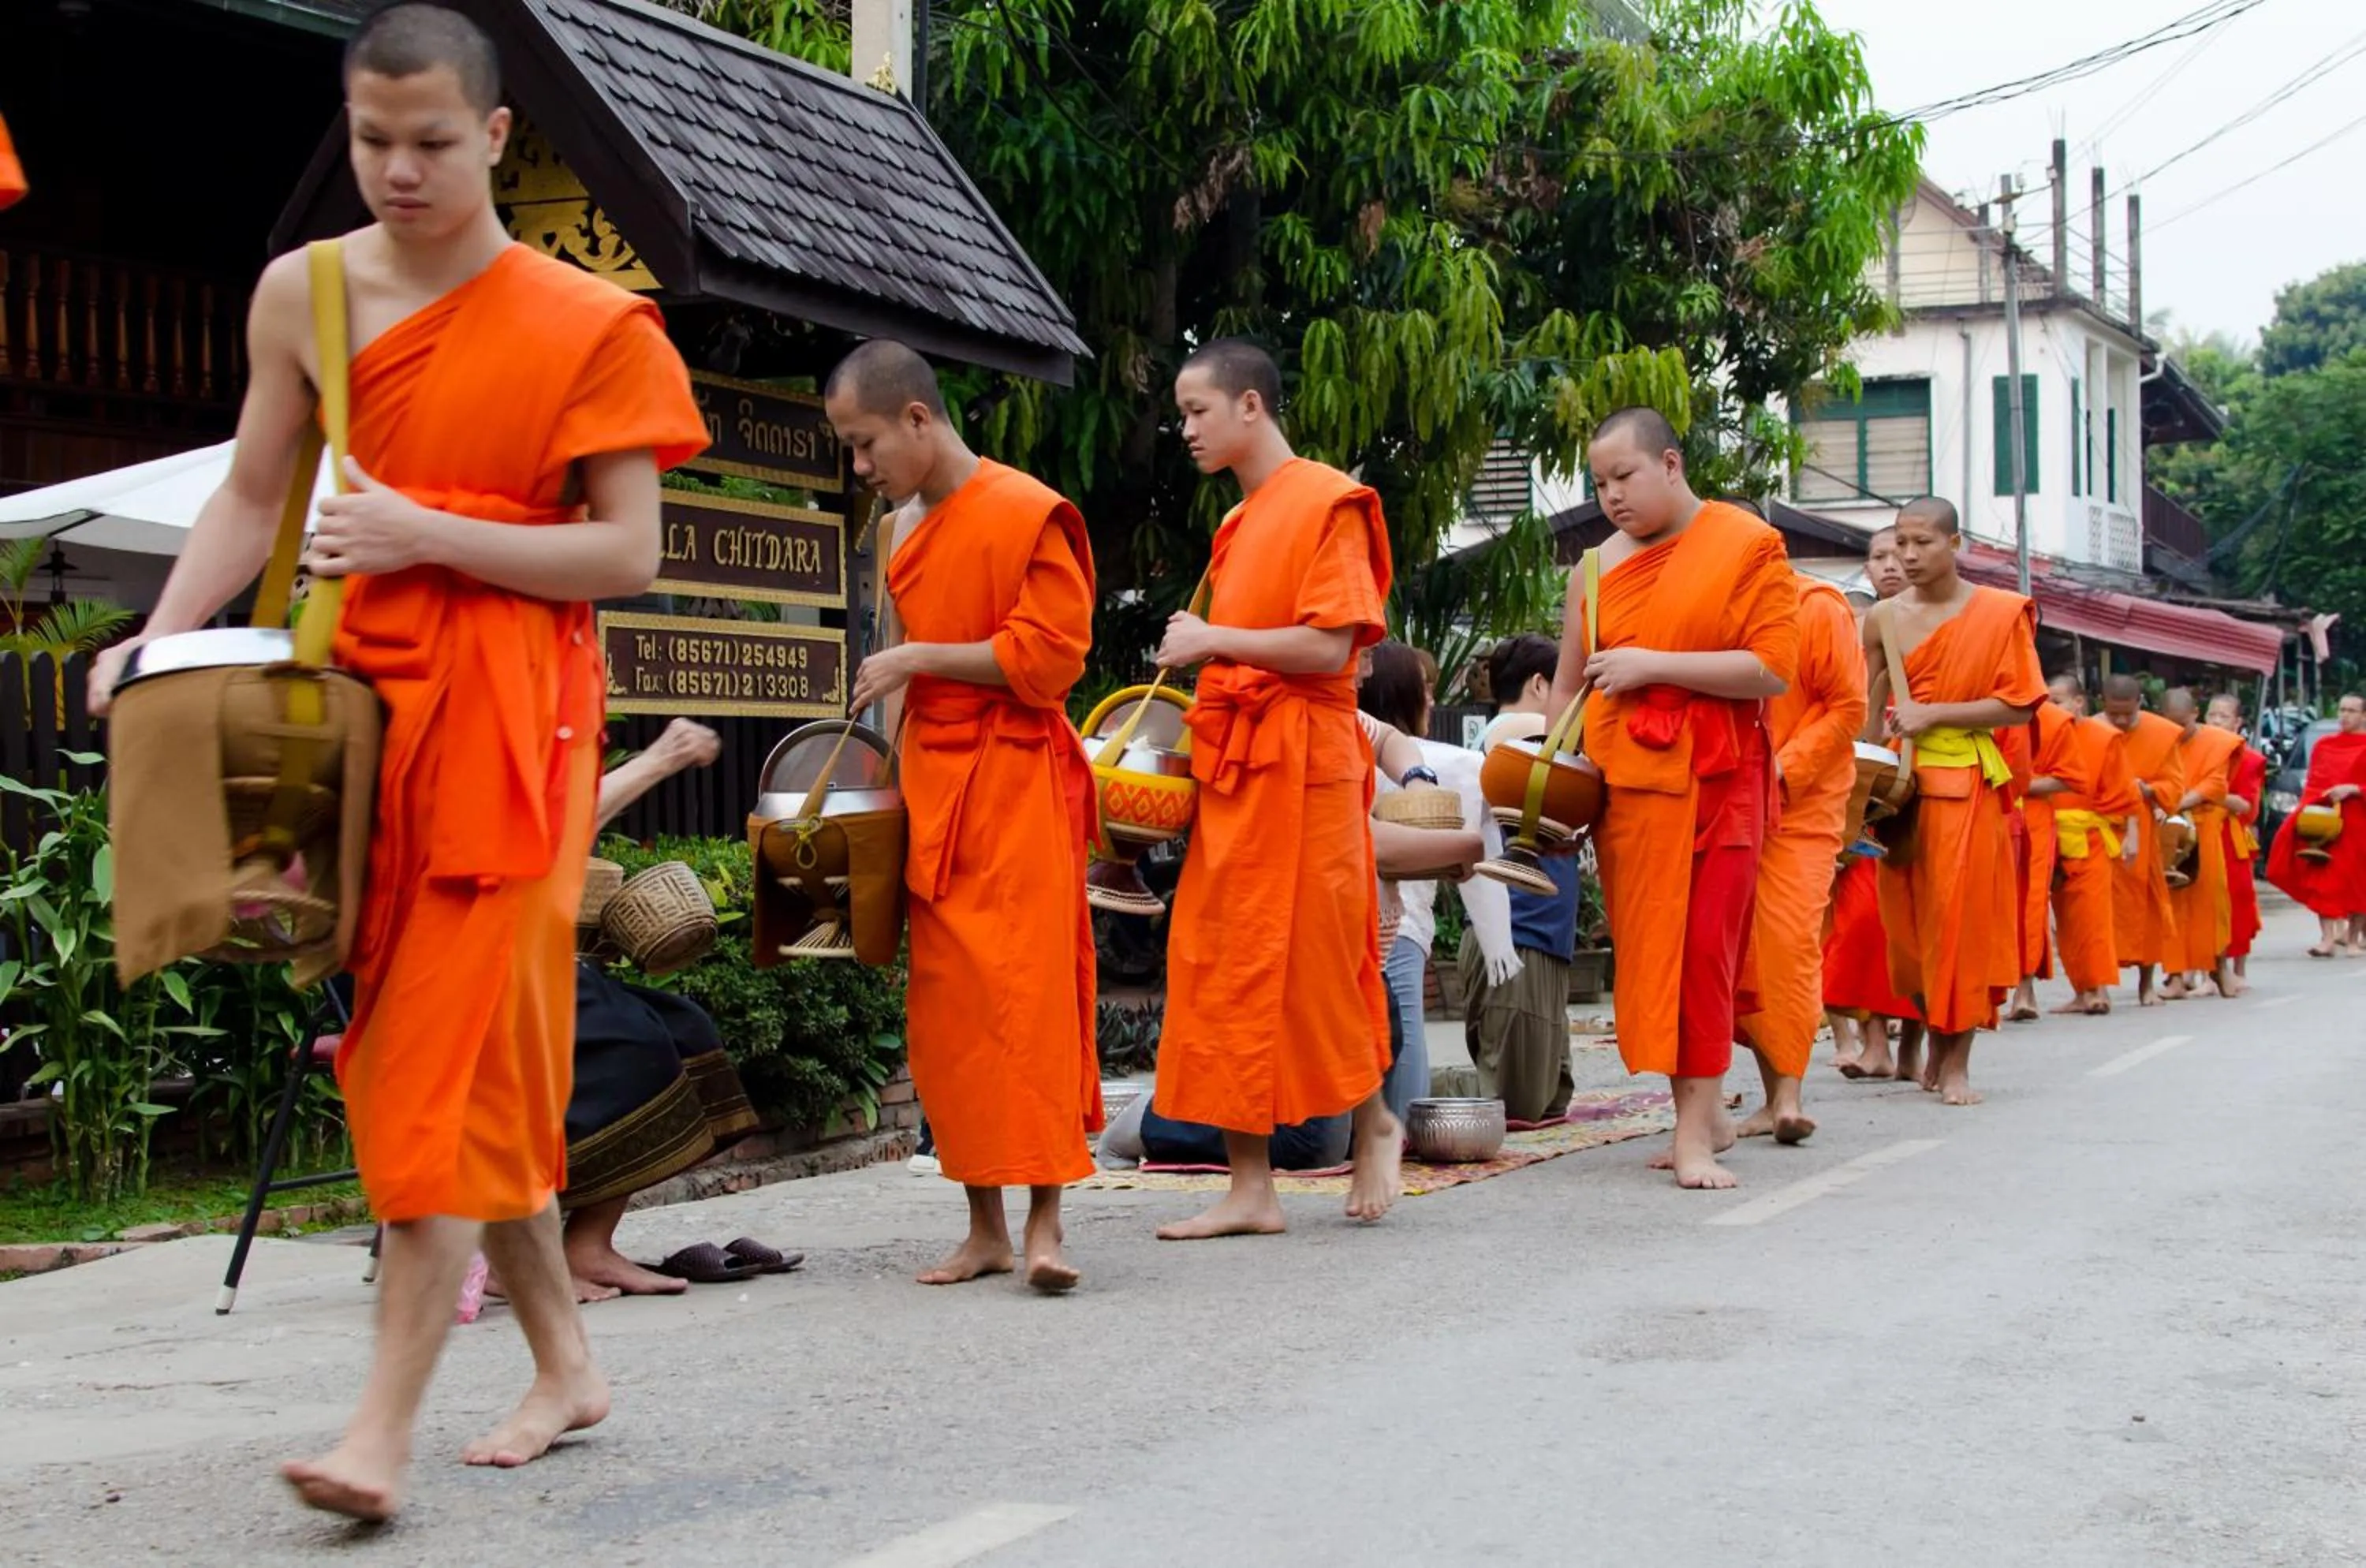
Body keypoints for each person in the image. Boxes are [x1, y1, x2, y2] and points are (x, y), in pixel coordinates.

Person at [84, 5, 708, 1519]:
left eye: (432, 142)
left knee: (424, 1068)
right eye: (372, 141)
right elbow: (249, 495)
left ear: (496, 136)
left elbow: (626, 550)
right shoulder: (301, 296)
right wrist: (156, 644)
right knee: (454, 1068)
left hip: (512, 730)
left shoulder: (587, 322)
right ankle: (565, 1361)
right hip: (354, 724)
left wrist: (428, 534)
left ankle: (378, 1428)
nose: (400, 171)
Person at [824, 338, 1103, 1294]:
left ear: (916, 418)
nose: (861, 468)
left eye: (865, 446)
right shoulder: (903, 529)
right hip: (936, 784)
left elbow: (1051, 659)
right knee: (950, 1013)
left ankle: (1047, 1224)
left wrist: (919, 659)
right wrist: (888, 790)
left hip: (1018, 777)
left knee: (1030, 996)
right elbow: (904, 673)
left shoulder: (1029, 511)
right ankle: (983, 1223)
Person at [1151, 338, 1426, 1236]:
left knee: (1313, 960)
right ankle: (1251, 1187)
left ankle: (1375, 1117)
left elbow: (1333, 647)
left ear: (1250, 408)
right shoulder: (1238, 521)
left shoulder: (1326, 501)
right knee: (1221, 961)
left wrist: (1214, 643)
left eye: (1197, 410)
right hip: (1239, 764)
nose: (1184, 428)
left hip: (1307, 759)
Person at [1546, 409, 1798, 1188]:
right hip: (1630, 789)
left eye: (1625, 476)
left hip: (1722, 781)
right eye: (1599, 482)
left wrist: (1657, 662)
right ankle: (1706, 1112)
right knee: (1653, 951)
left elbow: (1771, 667)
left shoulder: (1746, 542)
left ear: (1671, 464)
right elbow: (1568, 683)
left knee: (1704, 954)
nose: (1611, 495)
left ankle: (1691, 1130)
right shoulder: (1590, 571)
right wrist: (1553, 779)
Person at [554, 721, 761, 1301]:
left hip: (526, 947)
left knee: (683, 1030)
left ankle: (589, 1245)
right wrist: (662, 757)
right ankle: (498, 1248)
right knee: (631, 1048)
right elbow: (548, 828)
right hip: (460, 961)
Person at [1862, 498, 2044, 1107]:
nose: (1909, 557)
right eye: (1900, 545)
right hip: (1903, 792)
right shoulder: (1881, 619)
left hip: (1966, 780)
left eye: (1923, 544)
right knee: (1908, 936)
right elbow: (1868, 712)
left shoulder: (1998, 613)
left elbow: (2020, 702)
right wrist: (1862, 783)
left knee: (1960, 927)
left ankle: (1958, 1058)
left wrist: (1936, 713)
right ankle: (1933, 1038)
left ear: (1955, 543)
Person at [1735, 573, 1866, 1144]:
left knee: (1788, 943)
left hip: (1799, 806)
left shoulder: (1816, 608)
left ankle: (1788, 1095)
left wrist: (1784, 768)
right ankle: (1771, 1096)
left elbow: (1848, 706)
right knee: (1744, 954)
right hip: (1725, 801)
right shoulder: (1706, 606)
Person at [1360, 640, 1506, 1121]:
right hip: (1388, 932)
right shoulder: (1452, 763)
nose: (1432, 701)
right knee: (1398, 1067)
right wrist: (1464, 849)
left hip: (1387, 927)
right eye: (1423, 689)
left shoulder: (1381, 748)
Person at [1461, 634, 1584, 1124]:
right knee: (1514, 1105)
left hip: (1542, 936)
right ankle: (1395, 1089)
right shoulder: (1513, 730)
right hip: (1519, 936)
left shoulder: (1529, 734)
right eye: (1568, 688)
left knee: (1552, 1098)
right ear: (1540, 685)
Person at [1827, 526, 1926, 1082]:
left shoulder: (1939, 619)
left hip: (1928, 772)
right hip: (1868, 775)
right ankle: (1872, 1042)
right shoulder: (1859, 626)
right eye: (1879, 556)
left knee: (1911, 920)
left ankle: (1911, 1041)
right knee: (1863, 918)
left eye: (1900, 553)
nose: (1891, 564)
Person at [2043, 674, 2142, 1015]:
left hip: (2091, 836)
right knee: (2066, 920)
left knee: (2093, 916)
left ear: (2078, 702)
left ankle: (2099, 990)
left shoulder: (2103, 739)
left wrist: (2132, 833)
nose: (2048, 708)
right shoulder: (2044, 734)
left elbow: (2125, 792)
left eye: (2056, 701)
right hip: (2051, 838)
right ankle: (2081, 989)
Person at [2004, 678, 2094, 1021]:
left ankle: (2024, 990)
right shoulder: (1971, 711)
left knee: (2030, 903)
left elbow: (2070, 778)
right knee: (1988, 902)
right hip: (1988, 812)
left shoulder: (2053, 720)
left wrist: (2021, 784)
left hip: (2034, 818)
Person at [2102, 676, 2187, 1004]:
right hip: (2102, 829)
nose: (2121, 722)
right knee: (2098, 911)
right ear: (2102, 704)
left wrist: (2148, 789)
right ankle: (2096, 986)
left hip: (2145, 833)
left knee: (2147, 908)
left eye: (2127, 714)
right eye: (2114, 714)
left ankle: (2146, 985)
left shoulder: (2162, 734)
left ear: (2140, 703)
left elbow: (2175, 786)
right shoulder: (2092, 730)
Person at [2265, 692, 2366, 958]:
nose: (2344, 715)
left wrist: (2354, 788)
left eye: (2352, 711)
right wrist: (2305, 812)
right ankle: (2327, 938)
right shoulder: (2324, 745)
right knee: (2323, 878)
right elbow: (2315, 784)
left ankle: (2354, 939)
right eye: (2342, 710)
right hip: (2324, 821)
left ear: (2364, 716)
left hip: (2358, 822)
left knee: (2357, 881)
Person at [2159, 688, 2241, 1000]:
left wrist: (2180, 802)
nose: (2178, 731)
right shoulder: (2158, 738)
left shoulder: (2217, 743)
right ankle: (2175, 976)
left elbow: (2215, 784)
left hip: (2204, 827)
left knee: (2211, 903)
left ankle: (2218, 968)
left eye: (2183, 723)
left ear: (2196, 714)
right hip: (2168, 829)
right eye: (2171, 724)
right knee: (2172, 905)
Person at [2209, 694, 2267, 991]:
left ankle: (2239, 967)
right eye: (2212, 715)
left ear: (2238, 723)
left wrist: (2212, 793)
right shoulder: (2196, 751)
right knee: (2202, 902)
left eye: (2224, 717)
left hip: (2231, 835)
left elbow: (2248, 807)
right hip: (2200, 832)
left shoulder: (2250, 759)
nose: (2217, 722)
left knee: (2237, 899)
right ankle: (2200, 969)